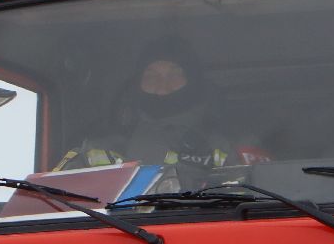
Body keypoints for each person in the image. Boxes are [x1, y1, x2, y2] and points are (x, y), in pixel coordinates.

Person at [54, 41, 252, 185]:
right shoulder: (95, 147)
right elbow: (52, 206)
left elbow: (241, 210)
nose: (163, 86)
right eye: (151, 75)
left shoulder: (220, 149)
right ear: (137, 83)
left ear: (192, 82)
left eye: (175, 74)